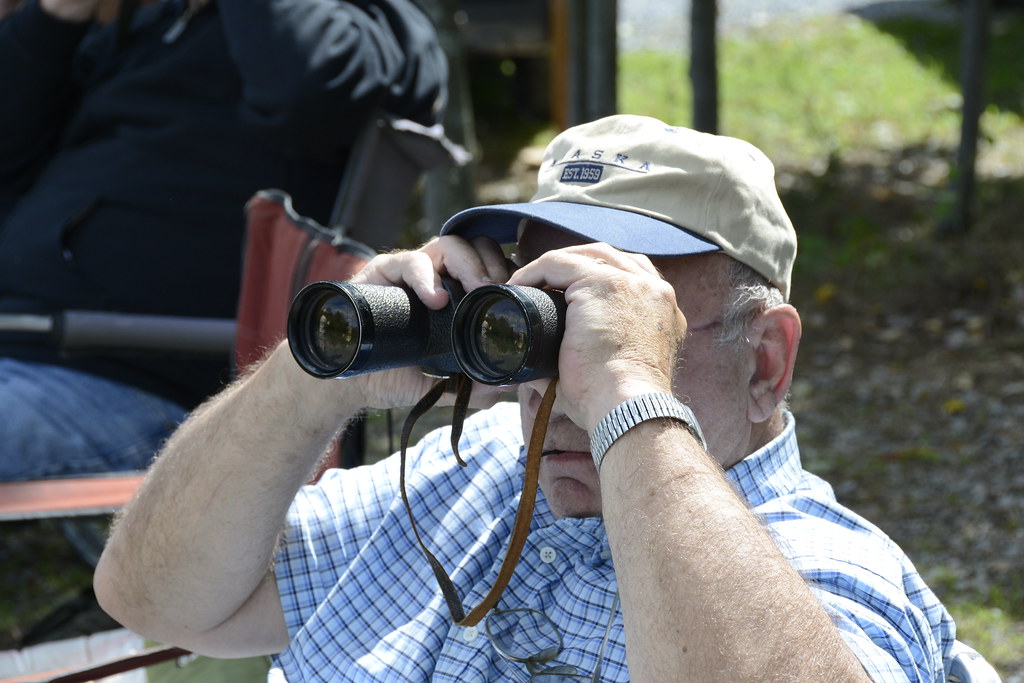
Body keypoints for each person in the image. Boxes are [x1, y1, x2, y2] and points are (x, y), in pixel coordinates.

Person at [94, 114, 955, 681]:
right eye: (542, 322)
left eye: (625, 325)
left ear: (766, 361)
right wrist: (309, 379)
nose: (559, 389)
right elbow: (153, 597)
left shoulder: (821, 574)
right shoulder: (462, 479)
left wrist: (629, 394)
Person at [0, 0, 446, 480]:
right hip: (26, 349)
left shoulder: (374, 27)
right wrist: (55, 17)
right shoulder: (159, 24)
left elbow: (309, 92)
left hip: (144, 386)